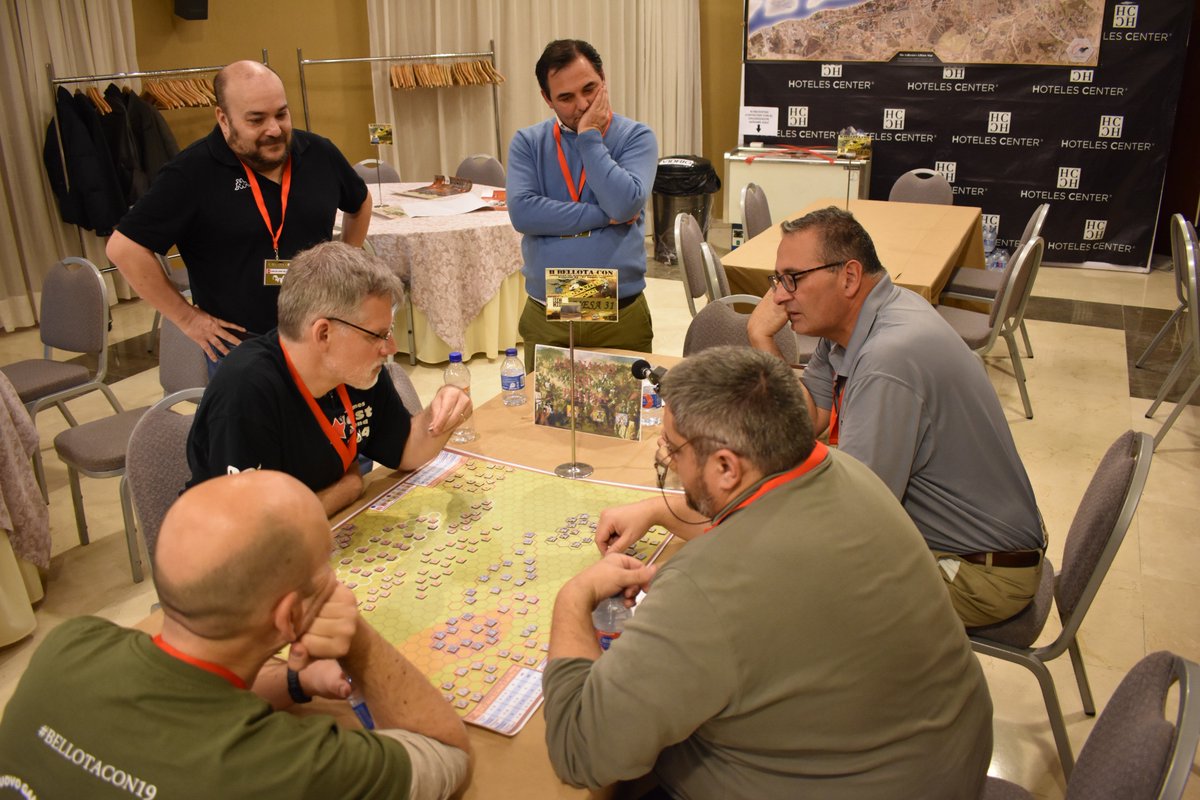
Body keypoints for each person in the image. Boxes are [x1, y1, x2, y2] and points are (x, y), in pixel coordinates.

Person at [545, 347, 993, 799]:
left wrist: (574, 597)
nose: (669, 461)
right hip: (948, 764)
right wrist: (661, 517)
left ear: (725, 466)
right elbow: (765, 556)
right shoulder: (851, 471)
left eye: (674, 449)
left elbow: (580, 752)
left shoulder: (702, 589)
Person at [0, 470, 471, 799]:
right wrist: (356, 641)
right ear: (290, 617)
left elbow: (187, 694)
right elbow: (447, 752)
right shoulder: (283, 769)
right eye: (326, 563)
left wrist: (295, 680)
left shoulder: (69, 646)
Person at [746, 206, 1045, 627]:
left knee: (786, 591)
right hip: (956, 546)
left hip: (980, 574)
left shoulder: (889, 357)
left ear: (849, 277)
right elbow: (808, 420)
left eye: (793, 279)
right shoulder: (856, 324)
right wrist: (761, 337)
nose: (778, 296)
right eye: (777, 281)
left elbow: (857, 512)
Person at [106, 59, 373, 367]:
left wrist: (344, 260)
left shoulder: (318, 153)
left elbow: (360, 202)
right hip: (243, 351)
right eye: (256, 120)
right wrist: (188, 319)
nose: (274, 129)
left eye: (281, 114)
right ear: (223, 118)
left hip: (321, 335)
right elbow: (123, 248)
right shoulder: (192, 172)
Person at [186, 241, 472, 516]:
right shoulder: (246, 390)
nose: (391, 348)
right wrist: (348, 486)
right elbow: (260, 531)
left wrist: (439, 417)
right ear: (323, 333)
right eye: (378, 335)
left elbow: (406, 449)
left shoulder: (356, 373)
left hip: (323, 529)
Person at [507, 39, 658, 373]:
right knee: (548, 425)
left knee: (623, 422)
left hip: (619, 313)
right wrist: (606, 216)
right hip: (550, 313)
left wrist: (589, 136)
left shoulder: (636, 137)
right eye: (566, 97)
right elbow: (523, 212)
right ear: (547, 99)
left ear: (603, 78)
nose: (583, 104)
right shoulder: (528, 143)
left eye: (590, 88)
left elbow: (625, 201)